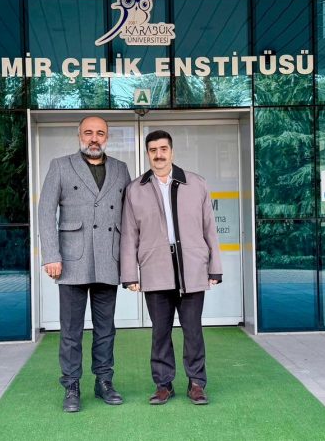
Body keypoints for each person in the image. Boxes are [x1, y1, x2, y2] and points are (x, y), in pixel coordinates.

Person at [120, 130, 223, 406]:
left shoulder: (196, 184)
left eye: (163, 149)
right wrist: (129, 274)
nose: (159, 154)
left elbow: (209, 228)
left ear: (172, 151)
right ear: (147, 154)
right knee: (160, 332)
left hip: (192, 269)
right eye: (153, 150)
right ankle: (163, 384)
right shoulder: (135, 189)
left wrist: (215, 267)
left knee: (193, 331)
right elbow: (129, 234)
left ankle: (197, 383)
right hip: (155, 270)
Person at [38, 116, 132, 413]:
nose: (94, 138)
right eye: (89, 132)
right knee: (71, 330)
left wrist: (130, 261)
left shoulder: (120, 169)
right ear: (79, 134)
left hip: (108, 257)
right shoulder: (60, 165)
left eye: (100, 133)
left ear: (107, 137)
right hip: (71, 260)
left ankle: (104, 381)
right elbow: (45, 211)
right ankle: (71, 385)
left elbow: (129, 216)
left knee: (106, 329)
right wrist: (51, 255)